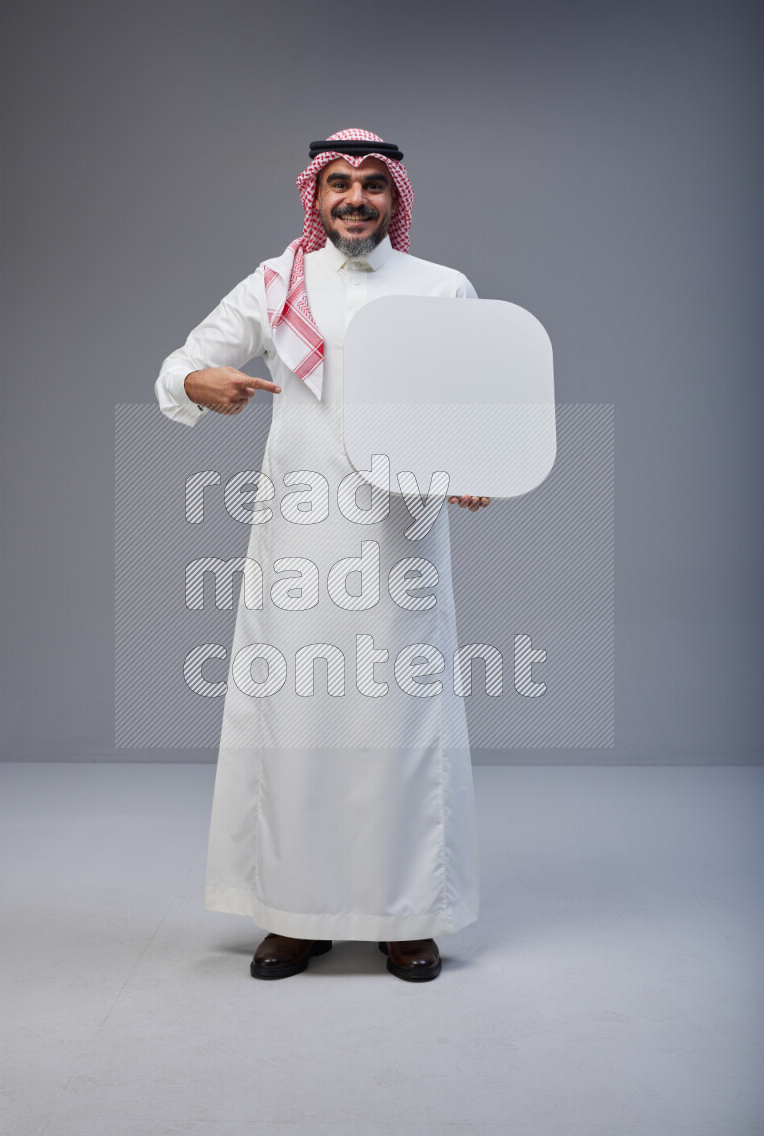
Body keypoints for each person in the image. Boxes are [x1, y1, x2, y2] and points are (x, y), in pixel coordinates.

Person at [155, 129, 489, 982]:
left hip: (401, 539)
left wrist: (472, 462)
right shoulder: (276, 283)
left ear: (395, 197)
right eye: (339, 183)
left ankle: (407, 917)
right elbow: (184, 365)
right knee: (296, 721)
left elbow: (475, 403)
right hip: (299, 538)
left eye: (373, 184)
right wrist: (198, 382)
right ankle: (294, 915)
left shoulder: (442, 288)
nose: (355, 199)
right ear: (316, 194)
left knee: (400, 725)